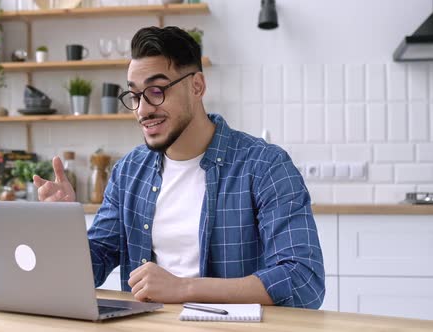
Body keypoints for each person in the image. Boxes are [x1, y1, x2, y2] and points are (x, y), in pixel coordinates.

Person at [33, 26, 325, 308]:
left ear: (197, 86)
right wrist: (63, 228)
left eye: (157, 91)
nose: (143, 110)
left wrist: (183, 288)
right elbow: (94, 265)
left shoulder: (265, 166)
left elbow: (303, 280)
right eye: (135, 96)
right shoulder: (128, 171)